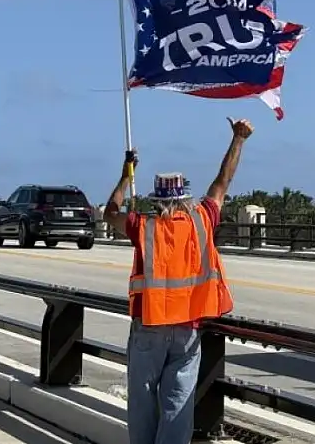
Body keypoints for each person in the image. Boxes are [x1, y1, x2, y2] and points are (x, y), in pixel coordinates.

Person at [103, 116, 254, 444]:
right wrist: (239, 139)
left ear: (157, 200)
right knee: (178, 405)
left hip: (150, 327)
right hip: (188, 328)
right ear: (186, 197)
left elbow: (109, 210)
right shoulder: (203, 219)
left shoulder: (143, 226)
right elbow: (222, 182)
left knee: (142, 402)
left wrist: (126, 174)